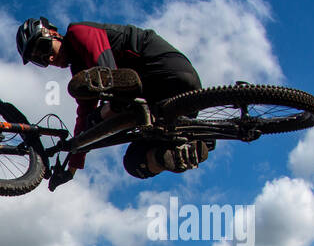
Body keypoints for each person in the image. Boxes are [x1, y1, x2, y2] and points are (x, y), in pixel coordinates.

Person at [15, 17, 211, 178]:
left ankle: (123, 97)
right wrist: (72, 168)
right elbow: (83, 117)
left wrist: (111, 106)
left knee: (93, 97)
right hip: (171, 105)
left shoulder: (78, 32)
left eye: (44, 48)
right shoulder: (81, 73)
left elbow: (103, 63)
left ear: (54, 34)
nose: (48, 58)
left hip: (163, 70)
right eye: (39, 60)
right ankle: (181, 150)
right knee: (135, 163)